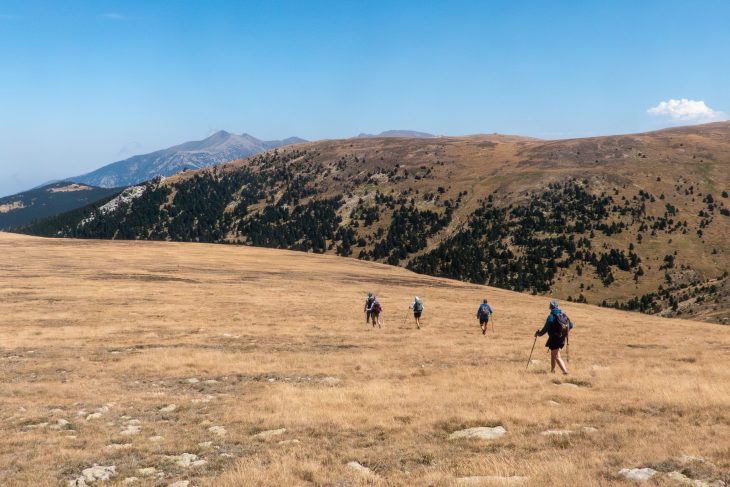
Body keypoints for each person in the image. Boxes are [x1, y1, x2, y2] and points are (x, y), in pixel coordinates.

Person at [535, 299, 573, 374]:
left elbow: (546, 328)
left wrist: (539, 334)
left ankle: (565, 372)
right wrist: (564, 333)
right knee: (553, 354)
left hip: (554, 338)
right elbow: (571, 325)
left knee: (557, 356)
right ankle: (552, 371)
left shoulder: (551, 316)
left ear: (551, 306)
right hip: (561, 338)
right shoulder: (563, 314)